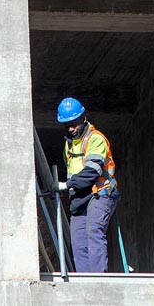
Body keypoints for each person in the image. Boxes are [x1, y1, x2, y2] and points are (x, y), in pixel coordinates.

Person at [57, 97, 119, 272]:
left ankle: (98, 279)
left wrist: (66, 184)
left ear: (83, 118)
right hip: (80, 197)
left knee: (93, 231)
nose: (70, 128)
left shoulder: (95, 139)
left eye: (73, 124)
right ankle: (84, 283)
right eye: (66, 125)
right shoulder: (68, 146)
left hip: (100, 194)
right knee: (78, 243)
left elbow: (92, 172)